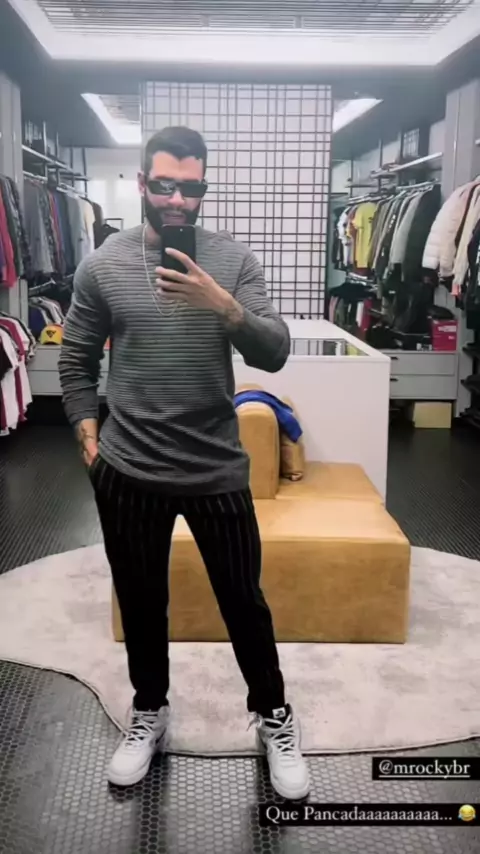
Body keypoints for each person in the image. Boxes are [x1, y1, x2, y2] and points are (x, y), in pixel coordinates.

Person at [59, 126, 310, 800]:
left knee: (243, 602)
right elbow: (76, 360)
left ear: (203, 189)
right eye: (165, 185)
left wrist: (224, 307)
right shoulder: (102, 265)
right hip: (128, 468)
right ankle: (150, 710)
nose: (177, 199)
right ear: (143, 183)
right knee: (142, 601)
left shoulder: (233, 261)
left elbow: (275, 352)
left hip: (215, 467)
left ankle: (273, 716)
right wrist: (89, 438)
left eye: (191, 188)